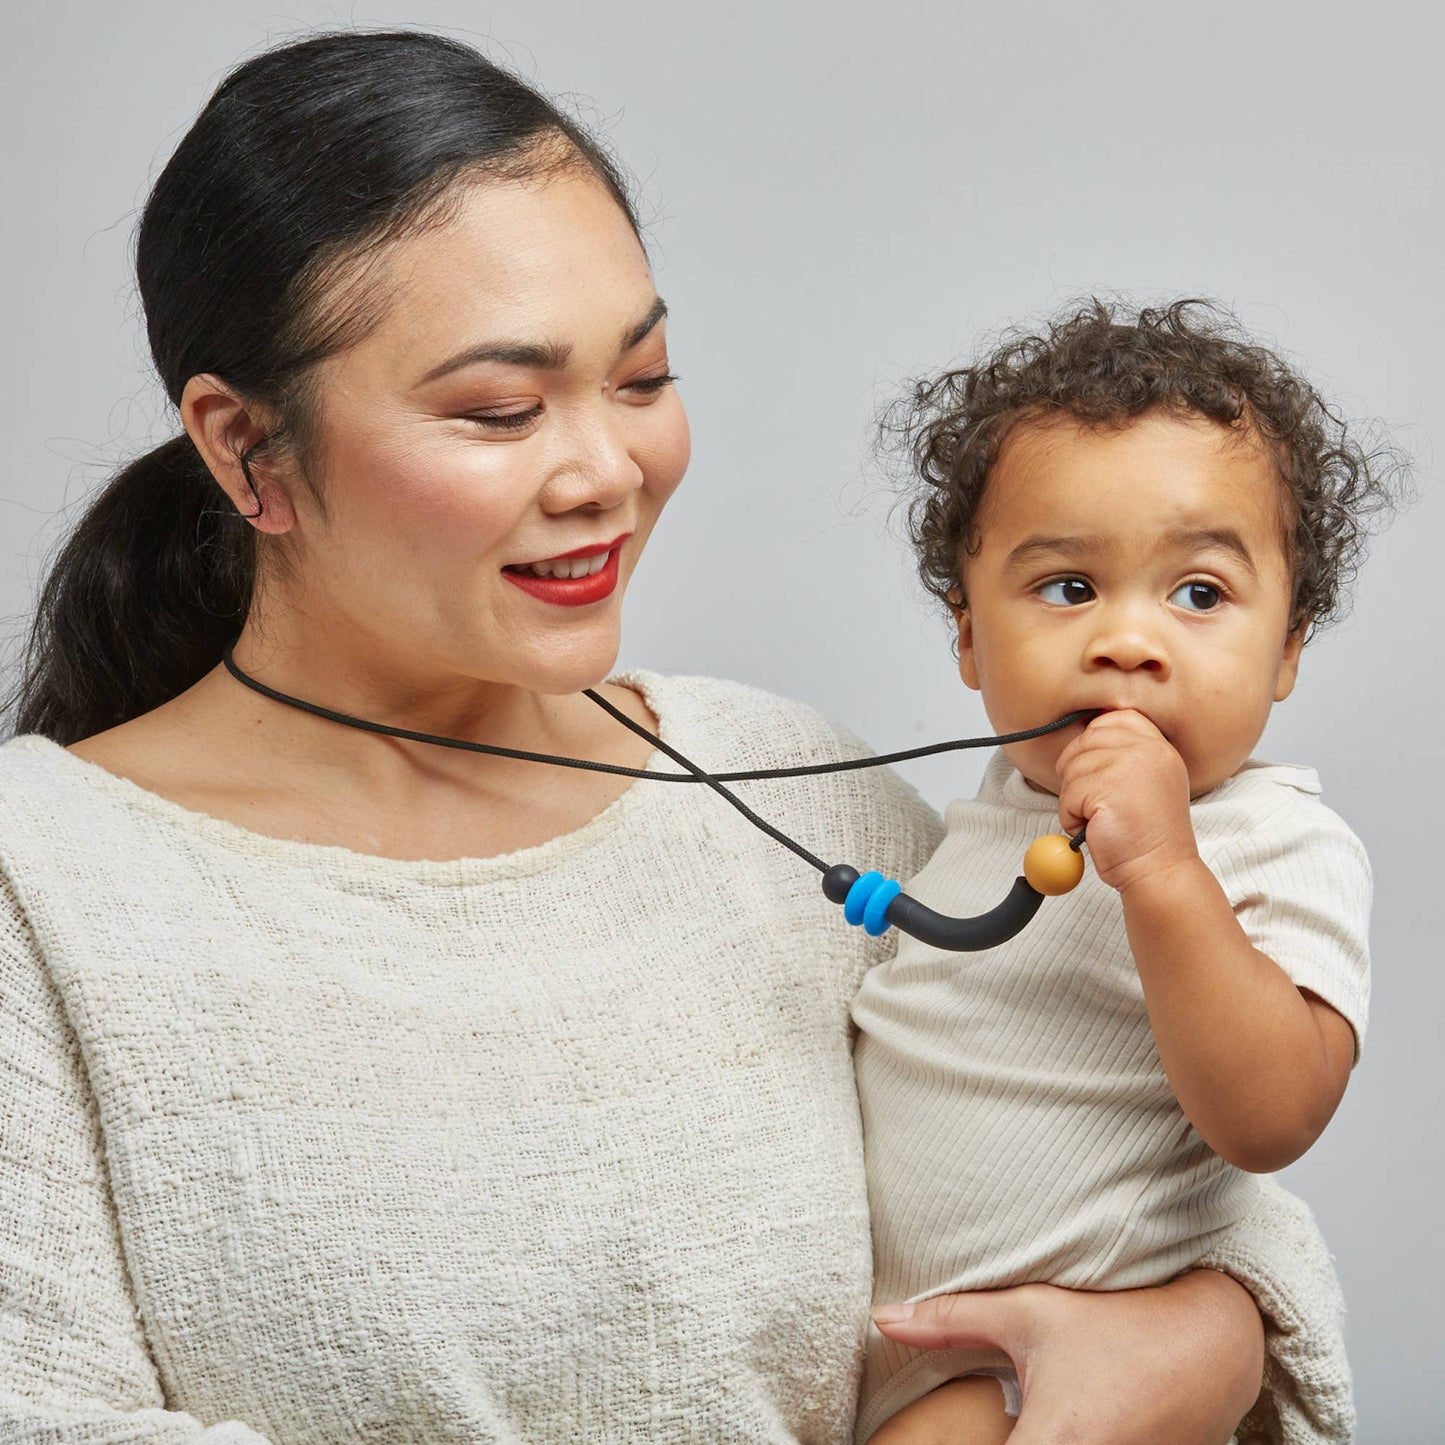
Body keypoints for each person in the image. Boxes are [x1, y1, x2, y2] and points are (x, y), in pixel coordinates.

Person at [0, 31, 1344, 1444]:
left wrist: (1207, 1333)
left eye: (640, 379)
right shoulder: (46, 890)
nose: (605, 472)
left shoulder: (799, 801)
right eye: (500, 409)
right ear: (243, 450)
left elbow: (1147, 1176)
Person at [853, 300, 1396, 1444]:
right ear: (965, 636)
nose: (1126, 640)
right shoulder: (991, 816)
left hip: (1070, 1348)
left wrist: (1161, 869)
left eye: (1197, 593)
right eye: (1065, 588)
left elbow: (1272, 1113)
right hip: (902, 1347)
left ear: (1287, 645)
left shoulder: (1273, 840)